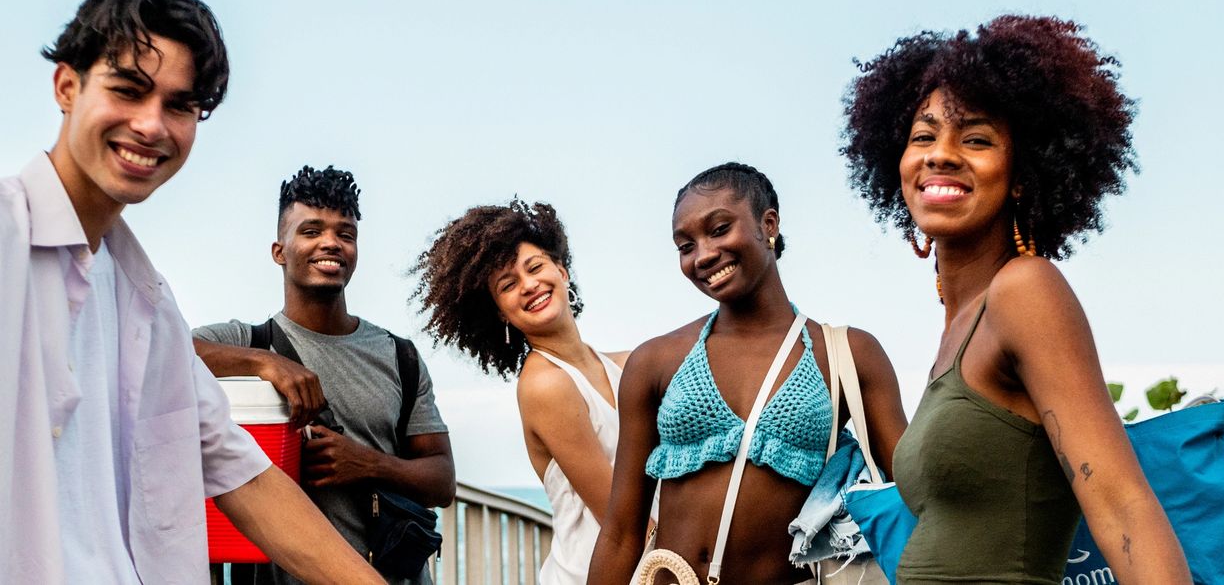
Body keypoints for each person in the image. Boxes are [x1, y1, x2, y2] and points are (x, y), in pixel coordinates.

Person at [0, 0, 382, 583]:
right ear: (66, 86)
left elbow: (243, 472)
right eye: (128, 89)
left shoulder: (143, 300)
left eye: (180, 105)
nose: (152, 125)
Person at [839, 15, 1191, 583]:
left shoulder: (1025, 291)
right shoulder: (960, 326)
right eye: (923, 136)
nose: (941, 155)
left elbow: (1123, 504)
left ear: (1022, 174)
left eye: (975, 139)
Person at [588, 163, 908, 585]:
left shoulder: (849, 354)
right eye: (686, 246)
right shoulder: (656, 361)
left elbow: (914, 494)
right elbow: (620, 532)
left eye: (719, 229)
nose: (702, 255)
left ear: (768, 223)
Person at [193, 165, 456, 585]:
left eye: (345, 234)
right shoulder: (247, 341)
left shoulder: (399, 355)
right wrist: (266, 363)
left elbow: (442, 482)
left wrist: (367, 463)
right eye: (311, 231)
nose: (330, 242)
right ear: (280, 250)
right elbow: (163, 351)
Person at [411, 199, 633, 584]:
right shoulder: (544, 384)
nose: (529, 285)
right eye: (508, 285)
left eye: (535, 267)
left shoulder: (624, 365)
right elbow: (619, 516)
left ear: (561, 270)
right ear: (500, 311)